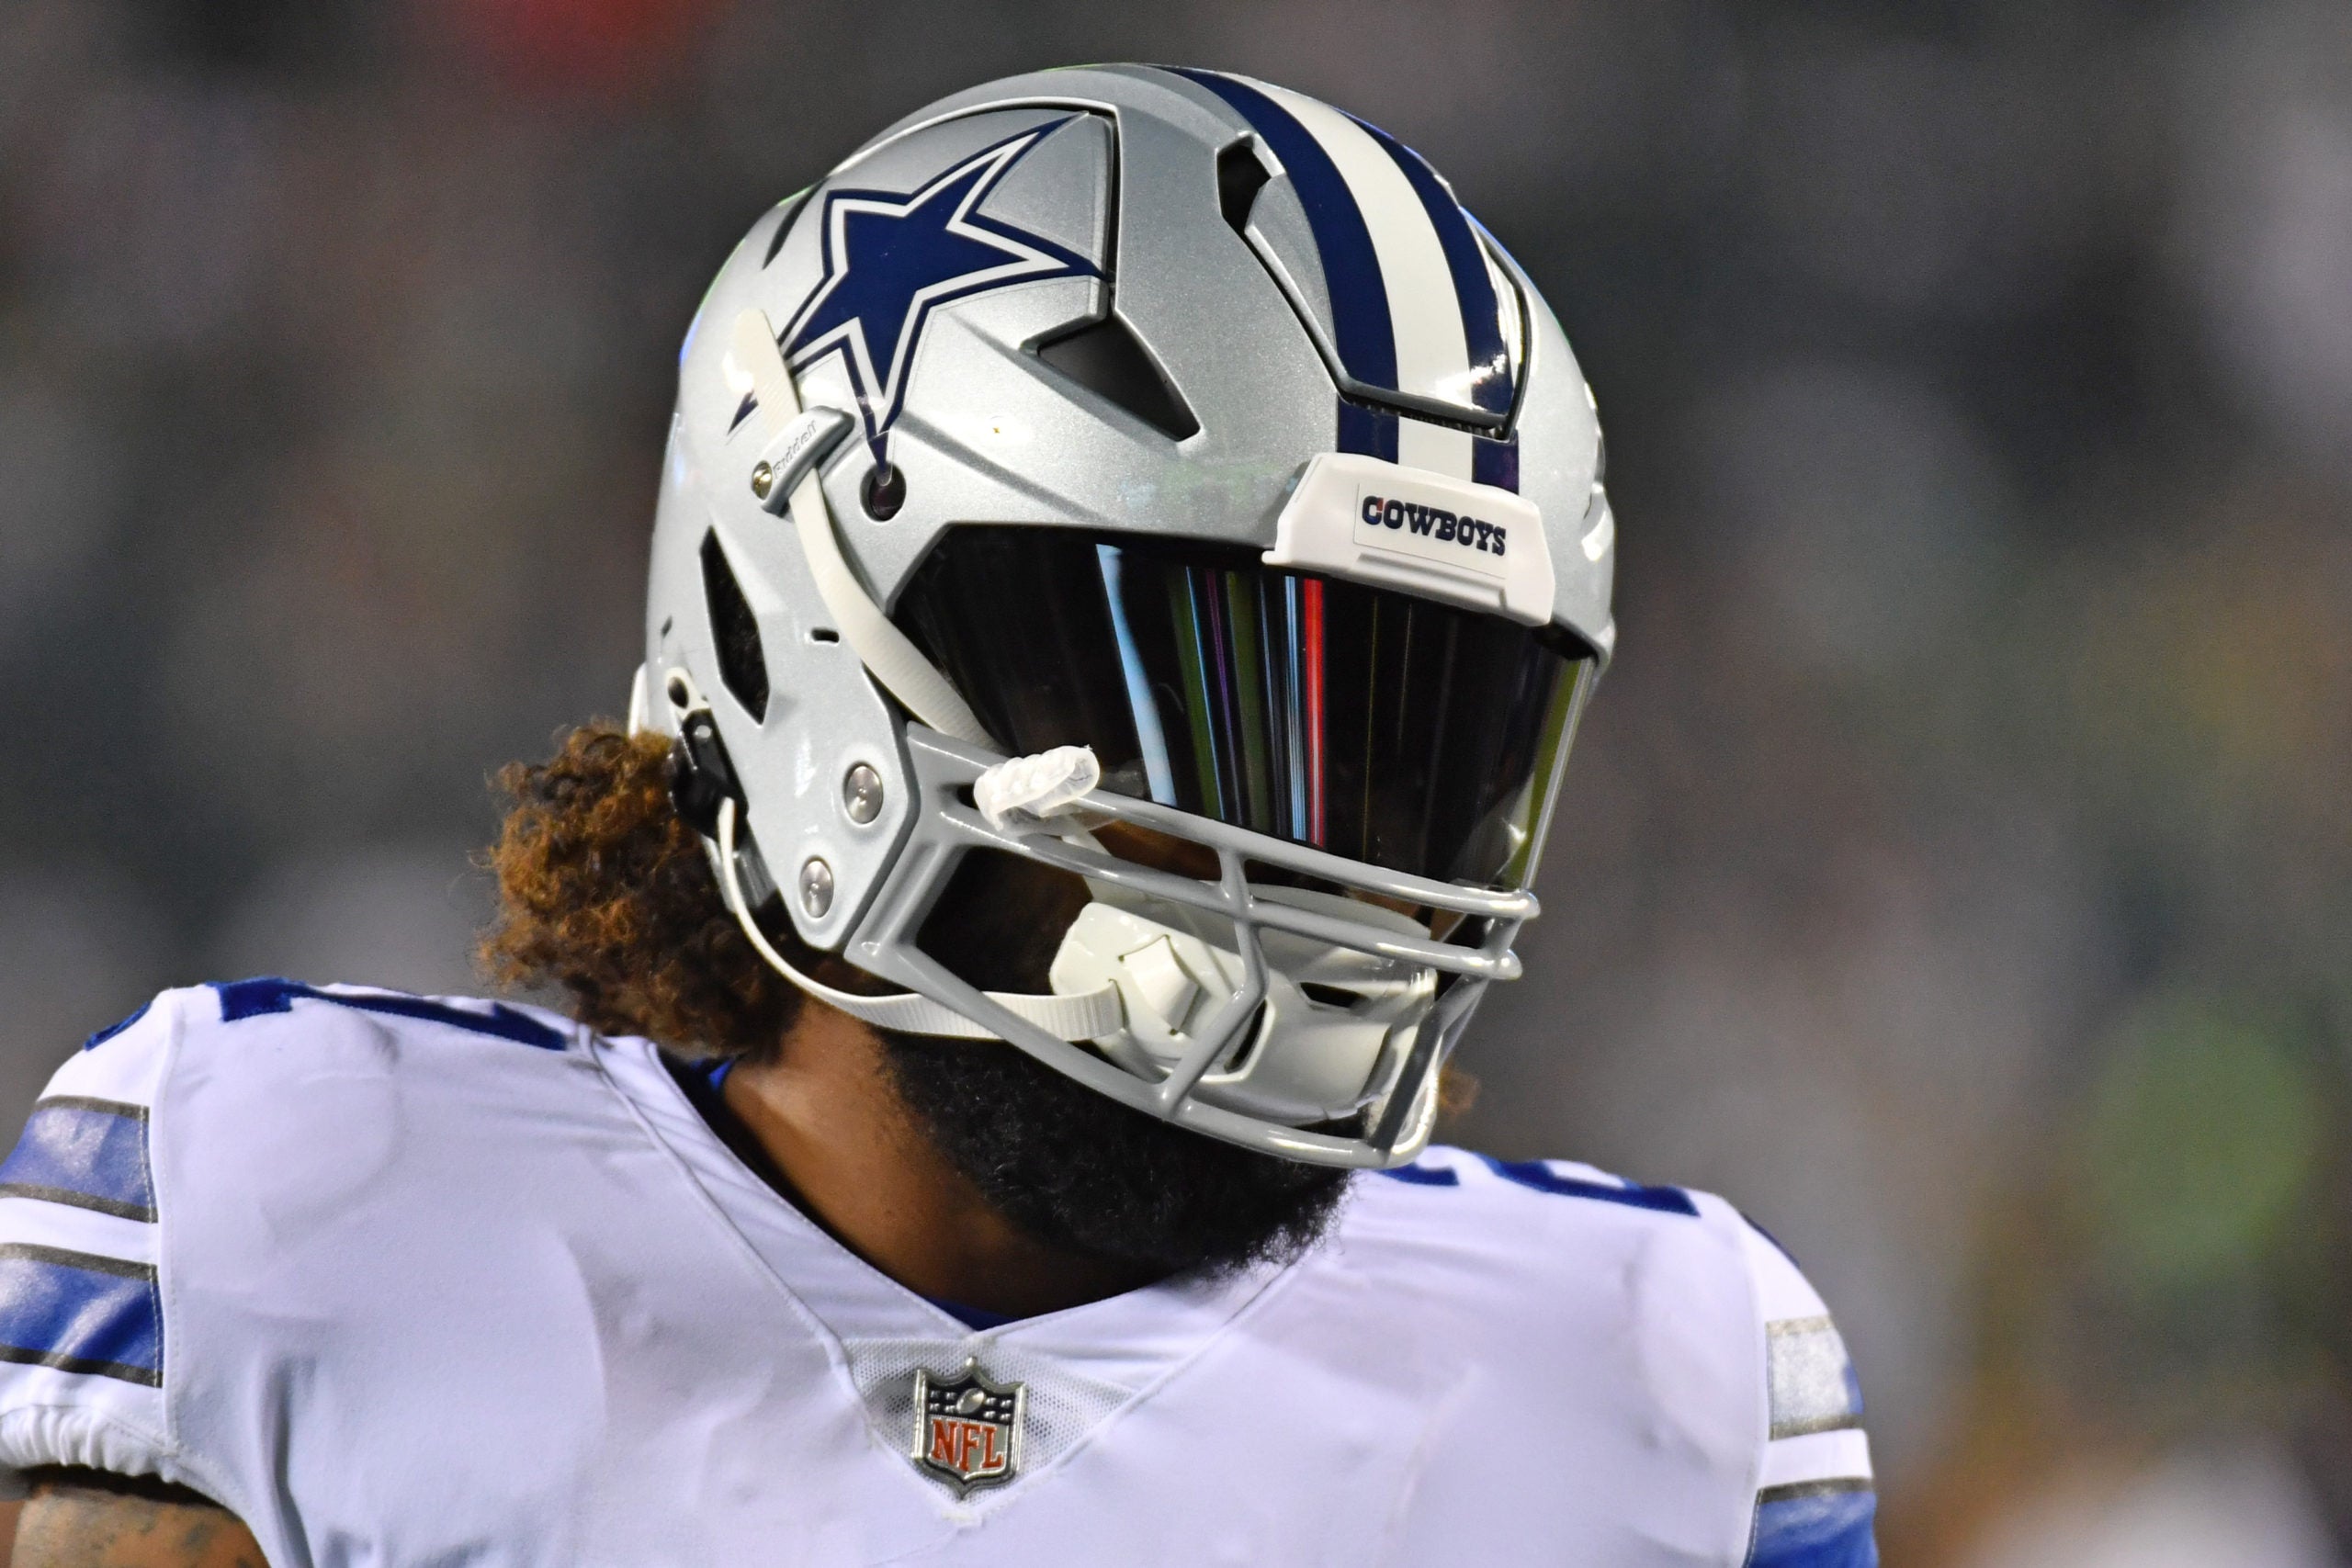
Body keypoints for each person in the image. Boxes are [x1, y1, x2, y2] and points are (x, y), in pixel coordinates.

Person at [0, 67, 1877, 1566]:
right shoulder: (299, 1195)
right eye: (1199, 703)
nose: (1332, 860)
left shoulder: (1649, 1372)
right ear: (812, 627)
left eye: (1411, 742)